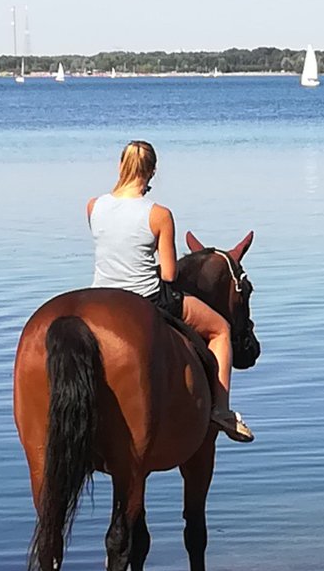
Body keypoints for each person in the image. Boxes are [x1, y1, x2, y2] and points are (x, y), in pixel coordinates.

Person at [87, 140, 254, 442]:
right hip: (147, 296)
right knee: (220, 330)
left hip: (102, 296)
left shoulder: (93, 206)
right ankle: (222, 411)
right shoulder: (158, 214)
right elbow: (168, 274)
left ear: (120, 166)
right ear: (152, 171)